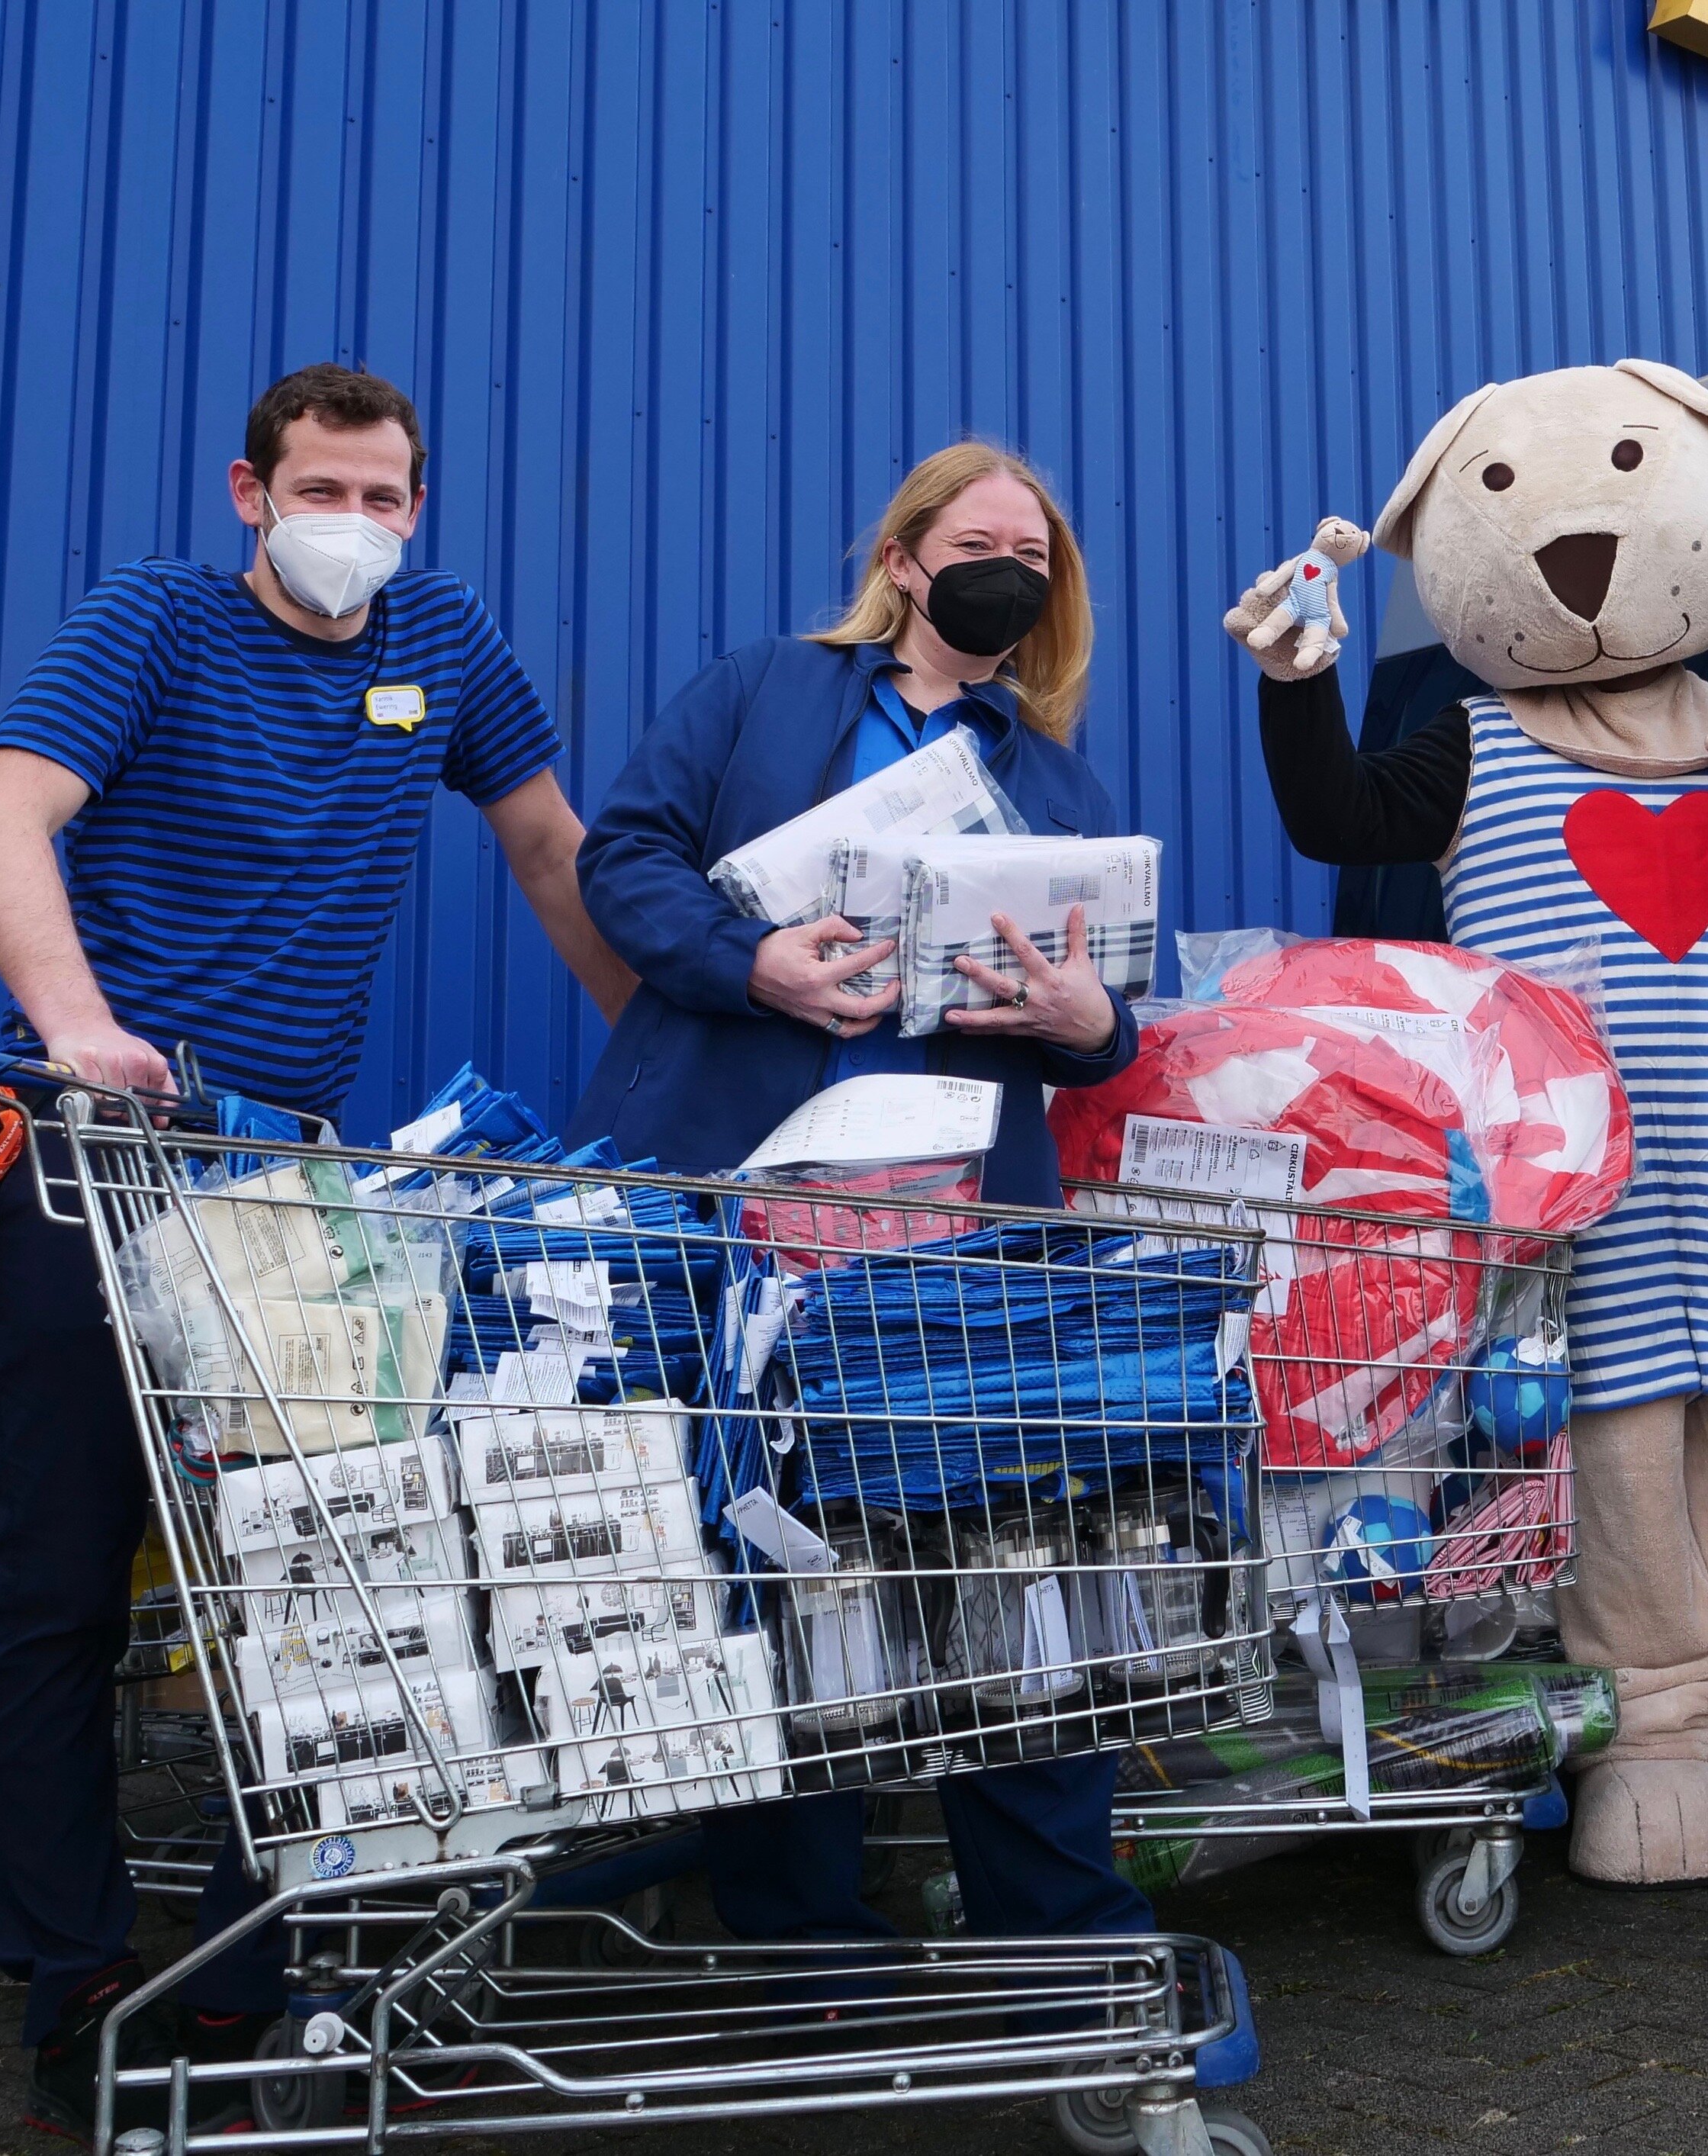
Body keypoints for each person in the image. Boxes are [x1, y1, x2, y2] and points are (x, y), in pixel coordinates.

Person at [0, 362, 630, 2135]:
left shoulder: (444, 642)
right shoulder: (154, 624)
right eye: (320, 491)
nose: (355, 527)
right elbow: (3, 812)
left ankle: (254, 1970)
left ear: (418, 506)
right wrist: (81, 1022)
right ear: (250, 493)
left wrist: (661, 1048)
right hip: (86, 1165)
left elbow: (550, 849)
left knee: (303, 1581)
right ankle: (78, 1973)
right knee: (67, 1577)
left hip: (275, 1201)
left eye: (385, 497)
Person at [563, 441, 1151, 1948]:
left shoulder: (1055, 776)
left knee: (999, 1548)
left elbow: (1108, 1012)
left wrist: (1093, 1029)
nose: (1006, 568)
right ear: (901, 560)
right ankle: (792, 1931)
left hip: (950, 1221)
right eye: (976, 540)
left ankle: (1057, 1931)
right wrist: (740, 958)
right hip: (744, 1185)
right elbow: (624, 856)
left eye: (1033, 550)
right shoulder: (761, 691)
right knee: (766, 1548)